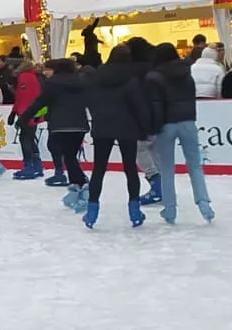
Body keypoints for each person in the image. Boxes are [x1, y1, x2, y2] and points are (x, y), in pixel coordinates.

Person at [80, 46, 149, 229]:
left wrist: (97, 115)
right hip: (127, 126)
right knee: (130, 169)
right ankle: (134, 210)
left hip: (103, 125)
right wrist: (144, 128)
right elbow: (139, 105)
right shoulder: (132, 79)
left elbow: (89, 99)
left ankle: (92, 211)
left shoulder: (97, 77)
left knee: (99, 169)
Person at [144, 43, 214, 224]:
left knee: (166, 168)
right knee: (195, 166)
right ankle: (204, 203)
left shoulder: (154, 76)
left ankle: (170, 209)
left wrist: (153, 128)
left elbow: (156, 104)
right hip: (188, 121)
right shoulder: (186, 72)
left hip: (167, 124)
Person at [29, 59, 90, 201]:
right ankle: (75, 179)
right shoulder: (76, 82)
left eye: (47, 70)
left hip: (60, 125)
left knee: (65, 154)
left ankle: (78, 181)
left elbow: (42, 101)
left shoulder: (53, 84)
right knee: (67, 154)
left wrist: (30, 115)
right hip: (72, 124)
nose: (45, 73)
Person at [7, 62, 45, 179]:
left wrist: (17, 112)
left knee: (25, 139)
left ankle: (28, 167)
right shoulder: (34, 77)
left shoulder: (24, 77)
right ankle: (37, 166)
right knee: (30, 138)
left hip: (27, 114)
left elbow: (22, 97)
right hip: (33, 113)